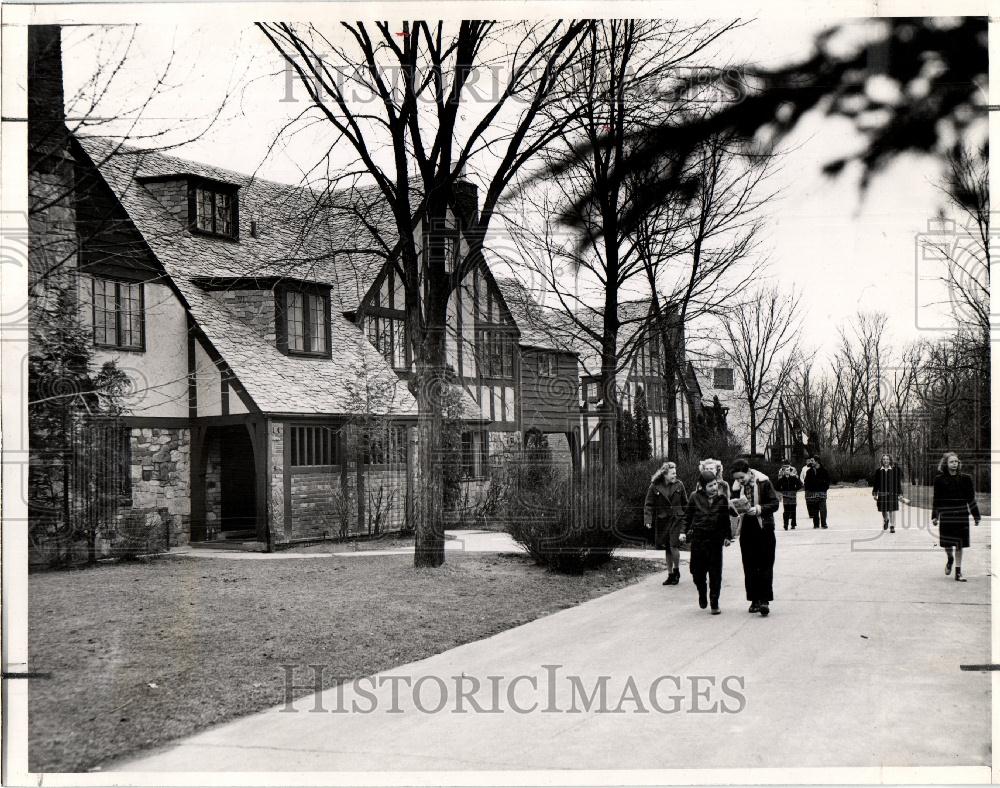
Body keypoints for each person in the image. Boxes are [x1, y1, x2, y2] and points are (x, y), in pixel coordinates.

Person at [679, 470, 733, 614]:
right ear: (703, 487)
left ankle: (714, 602)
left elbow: (725, 520)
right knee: (697, 572)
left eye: (715, 484)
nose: (714, 488)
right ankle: (702, 592)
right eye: (710, 486)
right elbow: (687, 517)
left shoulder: (722, 499)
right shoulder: (694, 497)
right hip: (699, 540)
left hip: (715, 541)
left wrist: (728, 536)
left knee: (715, 573)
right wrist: (682, 532)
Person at [731, 458, 780, 616]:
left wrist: (759, 509)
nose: (739, 481)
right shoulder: (737, 487)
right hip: (746, 527)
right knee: (749, 564)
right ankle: (754, 599)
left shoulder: (764, 482)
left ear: (748, 472)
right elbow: (732, 505)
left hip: (764, 526)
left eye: (741, 477)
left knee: (765, 563)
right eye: (736, 479)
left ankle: (765, 600)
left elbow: (775, 503)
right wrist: (734, 508)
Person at [932, 452, 981, 582]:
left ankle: (958, 572)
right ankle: (950, 559)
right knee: (947, 544)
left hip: (961, 515)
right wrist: (935, 515)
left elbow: (971, 498)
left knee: (959, 544)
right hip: (946, 515)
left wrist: (976, 515)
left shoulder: (966, 479)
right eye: (952, 461)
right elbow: (937, 499)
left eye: (956, 461)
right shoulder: (939, 479)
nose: (955, 464)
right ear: (946, 464)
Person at [644, 462, 688, 586]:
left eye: (675, 472)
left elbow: (685, 504)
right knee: (667, 548)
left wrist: (686, 520)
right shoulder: (654, 486)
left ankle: (677, 570)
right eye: (673, 473)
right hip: (662, 520)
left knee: (673, 545)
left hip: (676, 519)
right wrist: (648, 520)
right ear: (665, 474)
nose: (675, 475)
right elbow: (648, 504)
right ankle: (670, 575)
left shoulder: (679, 485)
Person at [869, 453, 903, 533]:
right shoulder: (878, 471)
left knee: (892, 510)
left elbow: (897, 482)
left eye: (887, 459)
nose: (886, 461)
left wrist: (900, 493)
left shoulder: (894, 470)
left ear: (890, 460)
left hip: (892, 493)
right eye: (884, 459)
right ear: (882, 461)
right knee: (883, 510)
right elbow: (876, 483)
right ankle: (886, 519)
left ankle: (892, 526)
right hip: (882, 493)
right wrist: (874, 493)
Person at [802, 456, 831, 529]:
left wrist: (824, 489)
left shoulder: (824, 471)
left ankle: (824, 524)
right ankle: (816, 524)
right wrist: (807, 490)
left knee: (823, 509)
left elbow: (827, 482)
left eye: (812, 460)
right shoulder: (809, 471)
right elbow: (806, 482)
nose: (811, 462)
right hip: (813, 494)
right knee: (814, 510)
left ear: (817, 461)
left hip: (822, 493)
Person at [774, 460, 803, 530]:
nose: (787, 471)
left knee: (793, 510)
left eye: (788, 470)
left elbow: (800, 484)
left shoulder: (793, 478)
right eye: (785, 470)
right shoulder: (781, 479)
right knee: (786, 510)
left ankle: (793, 524)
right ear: (783, 471)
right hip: (786, 496)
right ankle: (785, 524)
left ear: (790, 471)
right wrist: (782, 491)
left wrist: (795, 490)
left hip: (792, 495)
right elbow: (776, 487)